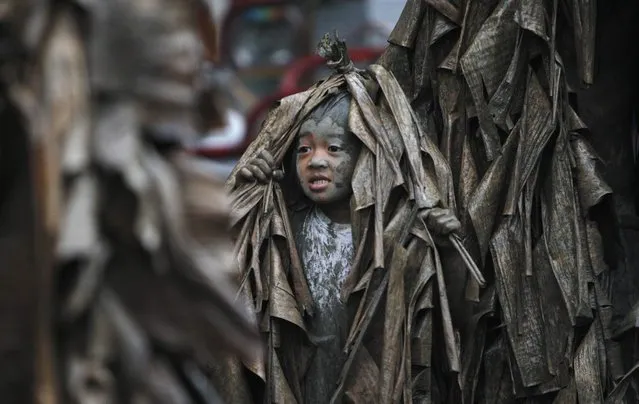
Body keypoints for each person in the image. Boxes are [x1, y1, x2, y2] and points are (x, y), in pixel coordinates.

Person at [227, 33, 474, 403]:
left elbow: (459, 317)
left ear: (366, 158)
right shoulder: (283, 231)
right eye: (304, 150)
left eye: (335, 148)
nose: (317, 161)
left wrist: (447, 251)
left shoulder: (394, 235)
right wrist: (244, 197)